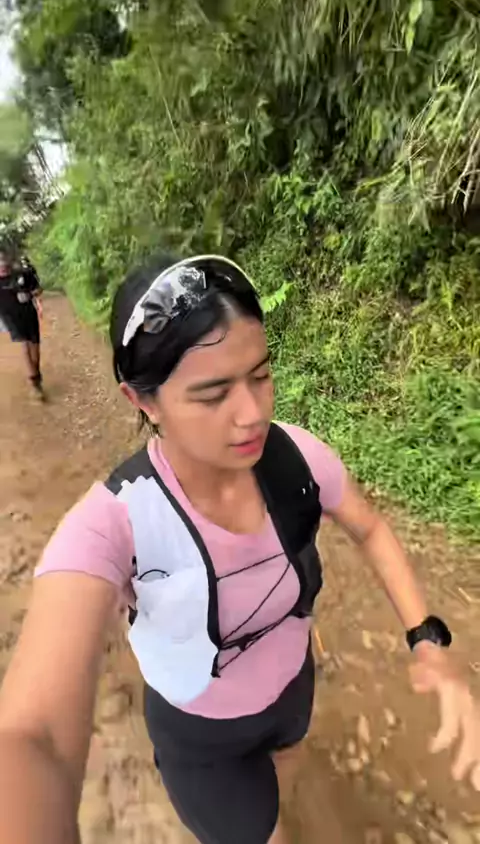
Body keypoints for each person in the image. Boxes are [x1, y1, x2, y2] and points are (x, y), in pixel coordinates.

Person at [0, 252, 478, 844]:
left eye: (260, 375)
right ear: (143, 402)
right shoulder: (112, 522)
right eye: (212, 394)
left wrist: (426, 640)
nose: (252, 414)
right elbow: (36, 736)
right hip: (201, 739)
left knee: (284, 773)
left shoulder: (295, 457)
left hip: (293, 689)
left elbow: (372, 529)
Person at [0, 249, 44, 398]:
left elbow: (38, 289)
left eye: (3, 260)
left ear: (8, 261)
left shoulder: (22, 274)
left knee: (35, 349)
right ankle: (34, 384)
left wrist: (29, 295)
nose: (1, 264)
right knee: (24, 344)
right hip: (10, 318)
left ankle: (36, 375)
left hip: (28, 314)